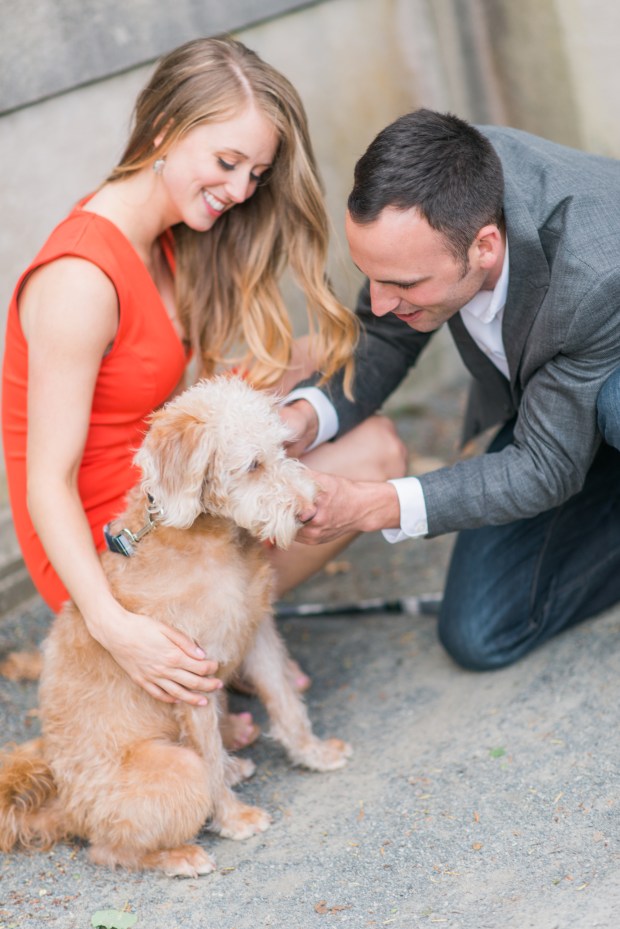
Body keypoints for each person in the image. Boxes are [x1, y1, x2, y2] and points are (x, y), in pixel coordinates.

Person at [1, 36, 404, 724]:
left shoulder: (165, 236)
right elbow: (46, 483)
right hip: (114, 546)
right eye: (227, 162)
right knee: (375, 455)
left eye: (256, 172)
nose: (242, 189)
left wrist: (364, 335)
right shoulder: (80, 281)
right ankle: (194, 656)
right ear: (164, 130)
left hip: (173, 498)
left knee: (368, 429)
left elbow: (177, 395)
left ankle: (221, 646)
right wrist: (113, 626)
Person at [283, 108, 620, 671]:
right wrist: (303, 418)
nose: (381, 302)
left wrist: (376, 504)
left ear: (484, 247)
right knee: (481, 630)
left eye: (403, 285)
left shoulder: (593, 275)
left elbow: (544, 467)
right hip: (563, 396)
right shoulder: (445, 180)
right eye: (373, 277)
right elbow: (383, 335)